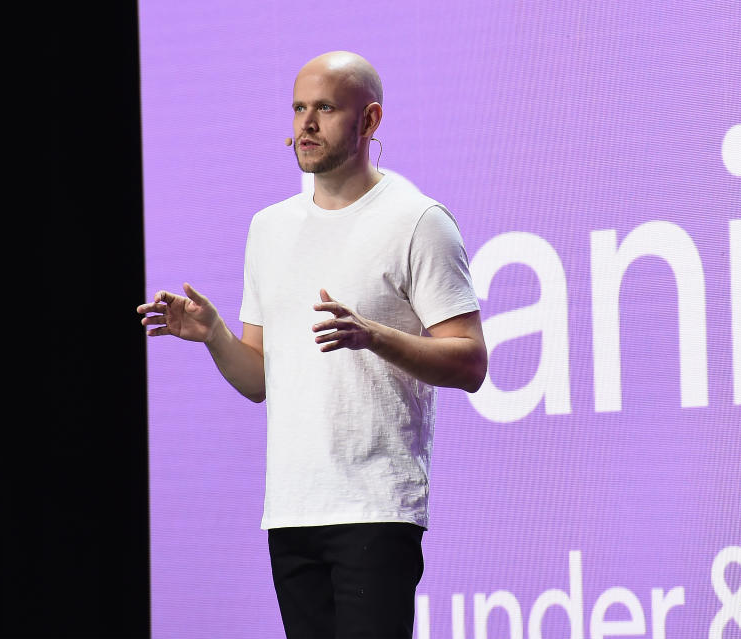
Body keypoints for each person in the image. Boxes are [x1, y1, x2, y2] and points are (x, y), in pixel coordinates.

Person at [137, 51, 487, 639]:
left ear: (370, 120)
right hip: (293, 511)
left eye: (325, 108)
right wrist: (213, 335)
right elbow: (258, 382)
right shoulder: (268, 229)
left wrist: (373, 336)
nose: (306, 124)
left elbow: (470, 361)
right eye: (299, 108)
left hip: (375, 507)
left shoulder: (417, 220)